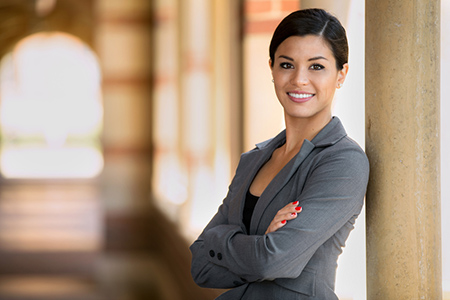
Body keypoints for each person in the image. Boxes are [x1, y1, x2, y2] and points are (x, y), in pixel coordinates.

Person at [190, 8, 369, 300]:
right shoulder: (253, 160)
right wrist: (260, 243)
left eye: (316, 67)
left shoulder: (343, 162)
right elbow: (200, 266)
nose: (299, 79)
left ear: (341, 74)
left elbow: (271, 260)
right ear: (272, 68)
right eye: (287, 65)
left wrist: (225, 241)